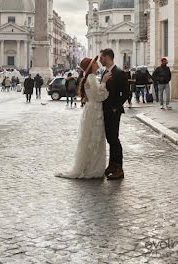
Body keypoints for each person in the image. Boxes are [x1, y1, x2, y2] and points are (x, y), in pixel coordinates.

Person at [55, 56, 111, 179]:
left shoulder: (90, 78)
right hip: (94, 111)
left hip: (92, 110)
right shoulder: (91, 78)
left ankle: (90, 165)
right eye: (95, 63)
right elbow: (98, 96)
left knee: (91, 138)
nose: (97, 64)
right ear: (91, 66)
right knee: (94, 138)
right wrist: (104, 83)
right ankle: (92, 167)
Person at [99, 48, 130, 180]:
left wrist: (116, 107)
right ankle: (112, 165)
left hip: (114, 111)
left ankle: (119, 168)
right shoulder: (105, 73)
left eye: (101, 57)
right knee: (110, 139)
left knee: (114, 139)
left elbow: (126, 93)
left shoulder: (119, 73)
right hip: (105, 111)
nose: (100, 60)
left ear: (107, 57)